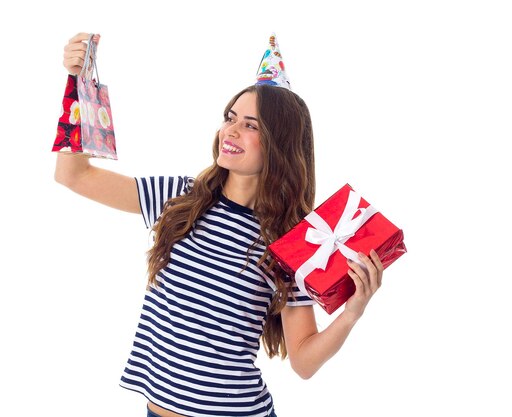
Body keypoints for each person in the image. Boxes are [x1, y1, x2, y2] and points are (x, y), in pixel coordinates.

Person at [56, 32, 385, 417]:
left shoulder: (289, 245)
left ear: (279, 144)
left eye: (251, 125)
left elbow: (303, 362)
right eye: (230, 118)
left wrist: (351, 314)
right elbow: (73, 176)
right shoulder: (177, 199)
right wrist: (77, 85)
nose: (230, 131)